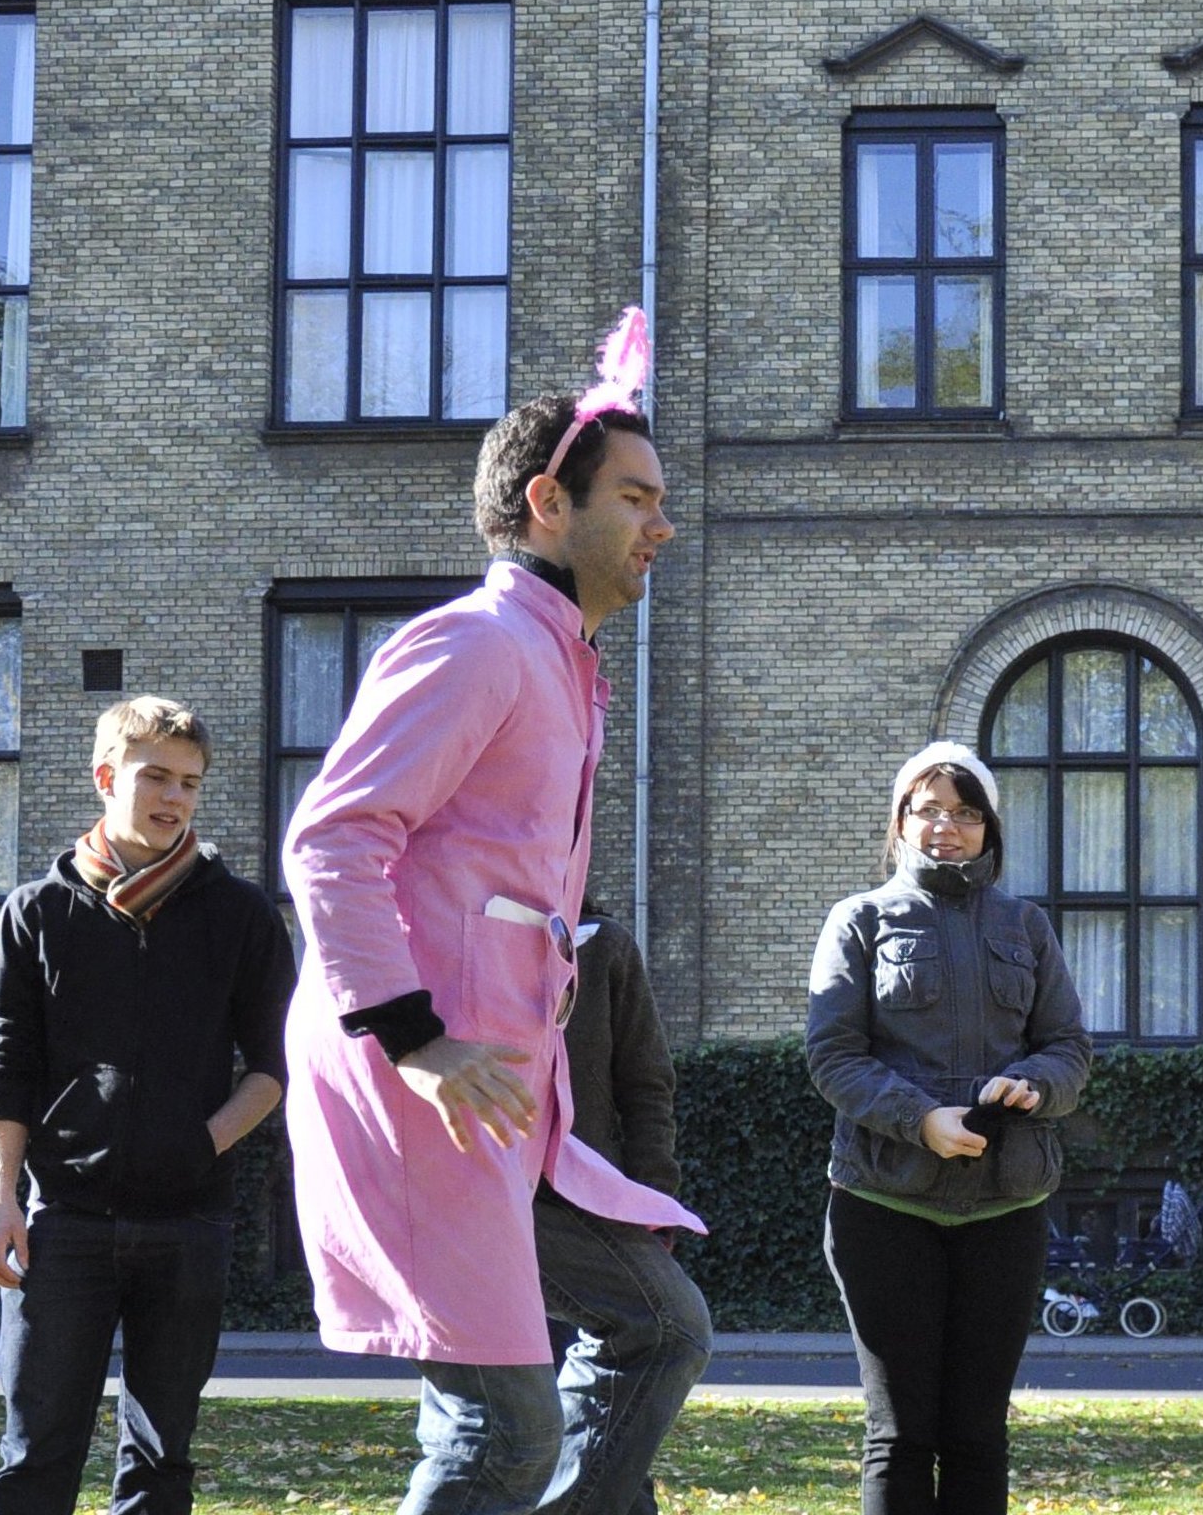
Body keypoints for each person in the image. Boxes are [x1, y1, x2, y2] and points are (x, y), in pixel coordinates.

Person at [281, 327, 706, 1515]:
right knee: (501, 1433)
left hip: (506, 1100)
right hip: (417, 1085)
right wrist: (416, 1041)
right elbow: (330, 840)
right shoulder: (473, 643)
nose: (660, 526)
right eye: (635, 497)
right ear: (545, 504)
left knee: (657, 1325)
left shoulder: (562, 666)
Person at [0, 696, 297, 1515]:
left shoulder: (241, 914)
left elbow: (277, 1064)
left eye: (189, 783)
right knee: (35, 1456)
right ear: (106, 776)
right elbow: (5, 1065)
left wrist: (201, 1145)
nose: (173, 798)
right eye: (155, 776)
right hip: (61, 1221)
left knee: (161, 1462)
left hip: (189, 1223)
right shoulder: (37, 911)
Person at [805, 742, 1092, 1515]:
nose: (946, 826)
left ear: (988, 829)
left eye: (965, 812)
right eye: (927, 809)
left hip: (1006, 1209)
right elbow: (832, 1056)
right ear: (899, 821)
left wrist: (1035, 1085)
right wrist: (918, 1120)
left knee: (976, 1434)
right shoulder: (858, 920)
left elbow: (1067, 1048)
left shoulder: (1025, 925)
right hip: (882, 1205)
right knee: (899, 1435)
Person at [542, 904, 713, 1515]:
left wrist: (654, 1200)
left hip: (596, 1207)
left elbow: (646, 1083)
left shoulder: (602, 944)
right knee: (510, 1416)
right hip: (494, 1211)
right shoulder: (461, 920)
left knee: (622, 1407)